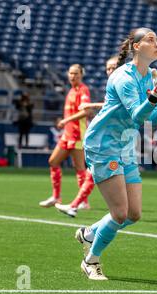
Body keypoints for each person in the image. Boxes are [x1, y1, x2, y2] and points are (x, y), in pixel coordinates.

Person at [73, 28, 157, 280]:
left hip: (125, 145)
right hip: (103, 144)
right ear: (136, 46)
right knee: (119, 213)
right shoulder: (123, 77)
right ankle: (91, 260)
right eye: (150, 39)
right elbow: (136, 115)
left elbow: (150, 116)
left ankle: (89, 233)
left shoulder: (148, 78)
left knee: (133, 214)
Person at [55, 56, 119, 217]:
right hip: (110, 134)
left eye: (113, 67)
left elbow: (116, 106)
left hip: (117, 136)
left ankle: (78, 204)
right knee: (93, 172)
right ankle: (76, 205)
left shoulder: (122, 85)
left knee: (94, 171)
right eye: (108, 68)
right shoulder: (113, 84)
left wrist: (91, 105)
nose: (110, 71)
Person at [38, 64, 92, 209]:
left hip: (78, 135)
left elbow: (87, 111)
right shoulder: (70, 91)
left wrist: (66, 120)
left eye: (76, 73)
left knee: (79, 168)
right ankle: (56, 197)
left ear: (81, 75)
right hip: (67, 135)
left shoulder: (83, 90)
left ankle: (83, 202)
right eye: (71, 73)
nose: (73, 76)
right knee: (53, 161)